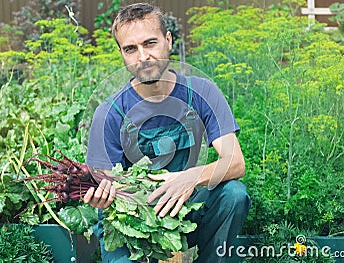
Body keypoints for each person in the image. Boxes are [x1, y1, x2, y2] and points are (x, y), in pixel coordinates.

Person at [84, 3, 251, 262]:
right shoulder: (110, 113)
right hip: (133, 220)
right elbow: (108, 182)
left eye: (150, 43)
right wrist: (103, 197)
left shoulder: (202, 93)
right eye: (131, 49)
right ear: (121, 53)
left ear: (168, 40)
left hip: (187, 207)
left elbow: (235, 162)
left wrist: (191, 177)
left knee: (234, 195)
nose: (142, 56)